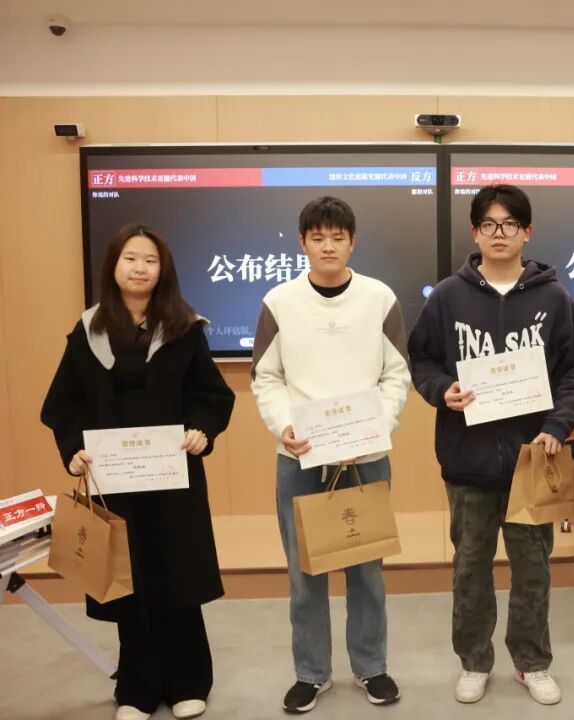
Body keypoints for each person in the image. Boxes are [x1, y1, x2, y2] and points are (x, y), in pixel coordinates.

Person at [41, 224, 235, 720]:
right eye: (131, 258)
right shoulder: (89, 332)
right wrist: (73, 450)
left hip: (173, 479)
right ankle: (138, 688)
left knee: (177, 575)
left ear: (162, 269)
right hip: (115, 481)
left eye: (150, 260)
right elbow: (63, 404)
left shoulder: (184, 328)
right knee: (128, 580)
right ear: (113, 266)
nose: (140, 268)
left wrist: (202, 430)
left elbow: (210, 394)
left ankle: (189, 680)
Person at [407, 184, 574, 706]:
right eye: (488, 224)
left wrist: (557, 427)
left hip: (534, 461)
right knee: (470, 568)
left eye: (510, 224)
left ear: (526, 232)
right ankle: (474, 661)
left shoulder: (555, 299)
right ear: (475, 233)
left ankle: (532, 662)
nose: (499, 233)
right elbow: (422, 360)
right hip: (468, 463)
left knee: (533, 569)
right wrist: (443, 390)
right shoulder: (448, 297)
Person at [251, 196, 410, 714]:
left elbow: (396, 375)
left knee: (367, 570)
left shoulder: (379, 298)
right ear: (302, 243)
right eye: (317, 237)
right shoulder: (279, 301)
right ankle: (311, 673)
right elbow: (266, 377)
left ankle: (371, 667)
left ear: (352, 242)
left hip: (365, 456)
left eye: (337, 237)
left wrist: (376, 426)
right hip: (299, 457)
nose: (327, 246)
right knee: (305, 573)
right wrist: (285, 426)